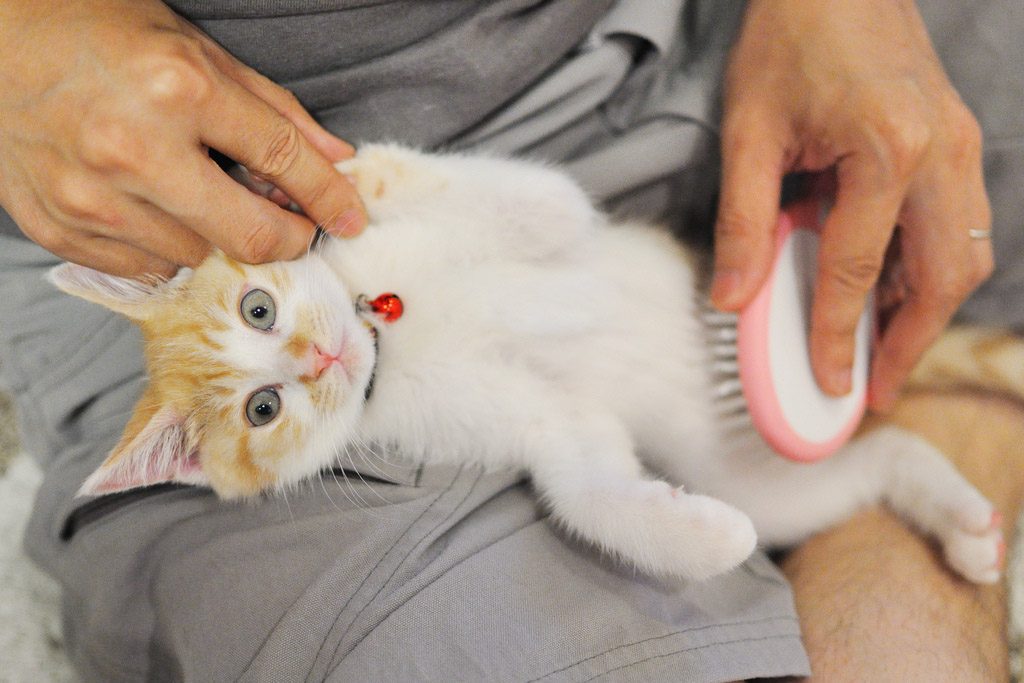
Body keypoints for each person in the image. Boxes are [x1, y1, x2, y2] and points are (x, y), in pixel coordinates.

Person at [0, 0, 1019, 679]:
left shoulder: (365, 272)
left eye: (260, 315)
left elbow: (549, 223)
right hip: (140, 148)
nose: (313, 357)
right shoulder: (372, 394)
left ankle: (902, 399)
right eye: (265, 404)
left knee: (969, 152)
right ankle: (887, 415)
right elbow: (550, 428)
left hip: (663, 38)